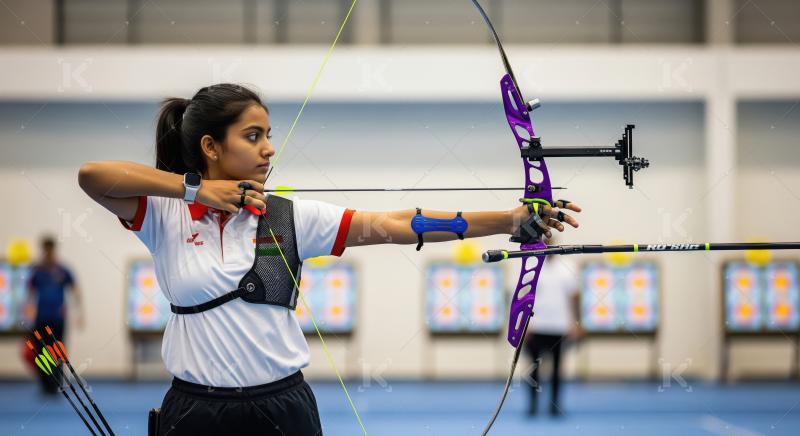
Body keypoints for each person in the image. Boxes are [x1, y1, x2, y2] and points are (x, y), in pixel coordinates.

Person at [77, 83, 582, 436]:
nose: (269, 149)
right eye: (253, 136)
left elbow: (396, 224)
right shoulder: (165, 216)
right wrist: (195, 189)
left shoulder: (292, 216)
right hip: (194, 411)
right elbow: (93, 174)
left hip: (283, 408)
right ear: (211, 146)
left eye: (269, 134)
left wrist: (510, 220)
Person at [522, 250, 581, 417]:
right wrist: (523, 326)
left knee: (557, 370)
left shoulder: (567, 268)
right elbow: (523, 297)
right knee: (533, 369)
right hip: (536, 326)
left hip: (559, 327)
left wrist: (577, 323)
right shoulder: (531, 268)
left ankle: (555, 405)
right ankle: (532, 405)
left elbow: (575, 297)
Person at [26, 236, 85, 394]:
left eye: (50, 249)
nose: (48, 253)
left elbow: (75, 290)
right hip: (40, 319)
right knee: (42, 353)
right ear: (43, 250)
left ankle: (57, 384)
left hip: (58, 319)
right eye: (45, 250)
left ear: (54, 250)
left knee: (57, 352)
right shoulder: (37, 271)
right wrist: (28, 313)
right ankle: (45, 385)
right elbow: (30, 293)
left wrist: (79, 313)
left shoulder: (62, 270)